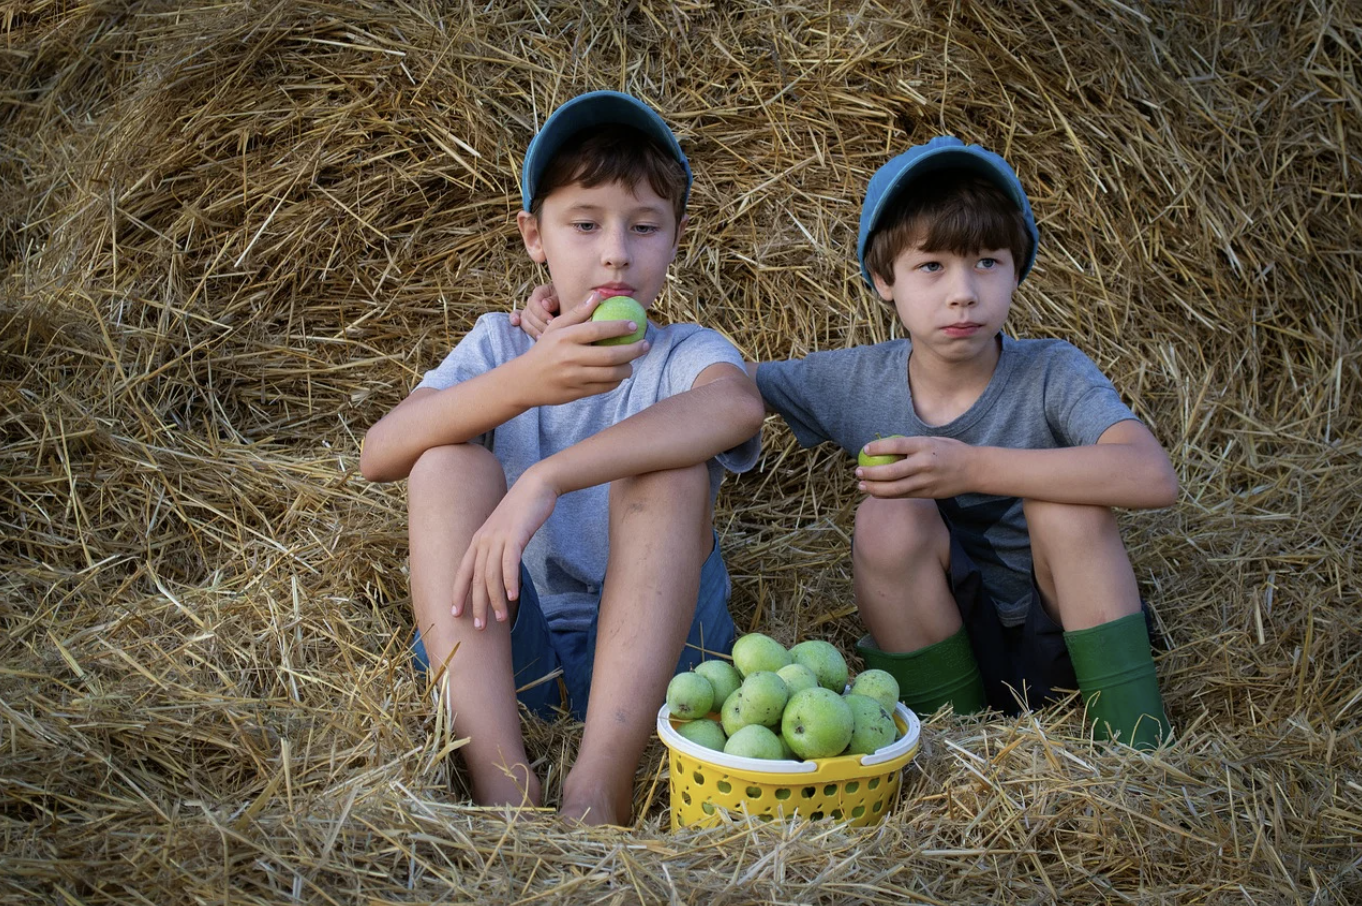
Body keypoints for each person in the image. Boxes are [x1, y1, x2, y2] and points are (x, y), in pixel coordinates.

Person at [516, 136, 1176, 749]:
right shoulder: (857, 381)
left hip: (1068, 629)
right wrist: (575, 321)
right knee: (887, 517)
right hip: (951, 638)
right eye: (931, 267)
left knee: (1068, 504)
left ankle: (1137, 744)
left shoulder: (1050, 371)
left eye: (987, 263)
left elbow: (1151, 476)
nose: (963, 294)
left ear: (1017, 268)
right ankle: (957, 745)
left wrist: (971, 466)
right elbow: (720, 391)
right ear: (884, 279)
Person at [361, 91, 765, 825]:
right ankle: (502, 786)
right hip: (510, 661)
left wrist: (548, 477)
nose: (616, 251)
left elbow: (736, 406)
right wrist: (521, 383)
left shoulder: (684, 351)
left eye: (645, 227)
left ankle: (599, 787)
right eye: (584, 224)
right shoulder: (502, 345)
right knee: (446, 463)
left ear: (675, 240)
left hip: (666, 665)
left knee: (671, 466)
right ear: (533, 236)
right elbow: (379, 452)